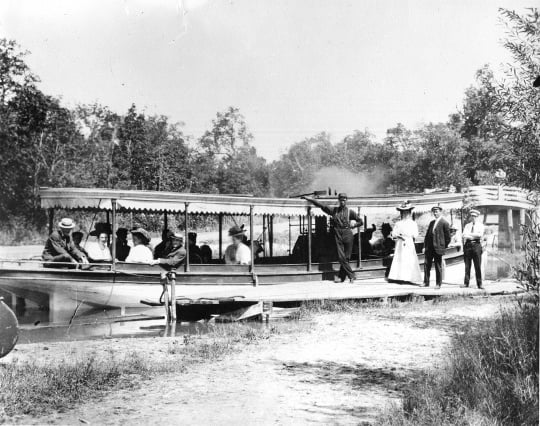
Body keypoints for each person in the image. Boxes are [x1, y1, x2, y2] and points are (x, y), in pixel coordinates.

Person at [303, 193, 363, 283]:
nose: (342, 202)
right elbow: (321, 205)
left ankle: (341, 277)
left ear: (346, 201)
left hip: (348, 234)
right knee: (340, 257)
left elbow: (360, 221)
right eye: (341, 200)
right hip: (338, 234)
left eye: (344, 200)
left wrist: (355, 224)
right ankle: (351, 275)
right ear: (338, 201)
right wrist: (310, 199)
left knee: (346, 258)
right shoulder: (334, 211)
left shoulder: (350, 212)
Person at [388, 201, 422, 284]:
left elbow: (415, 235)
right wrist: (398, 235)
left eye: (407, 212)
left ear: (409, 213)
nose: (405, 214)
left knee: (409, 259)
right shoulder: (398, 223)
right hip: (400, 243)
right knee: (400, 259)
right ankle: (400, 277)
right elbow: (393, 233)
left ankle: (410, 277)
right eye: (403, 212)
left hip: (408, 242)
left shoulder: (413, 223)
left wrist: (408, 235)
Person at [423, 204, 451, 288]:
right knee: (426, 265)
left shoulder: (444, 223)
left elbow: (448, 237)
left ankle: (438, 284)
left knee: (438, 266)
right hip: (430, 248)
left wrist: (443, 246)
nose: (435, 213)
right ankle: (426, 282)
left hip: (438, 248)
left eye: (436, 211)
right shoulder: (432, 223)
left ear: (440, 212)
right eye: (434, 212)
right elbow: (427, 236)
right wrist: (425, 246)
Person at [462, 209, 485, 289]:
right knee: (467, 266)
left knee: (477, 266)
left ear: (477, 217)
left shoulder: (481, 226)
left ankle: (479, 284)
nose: (473, 218)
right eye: (472, 216)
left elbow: (480, 235)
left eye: (475, 216)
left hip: (476, 245)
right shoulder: (467, 225)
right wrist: (473, 235)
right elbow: (464, 235)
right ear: (470, 217)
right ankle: (466, 283)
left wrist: (470, 234)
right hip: (468, 245)